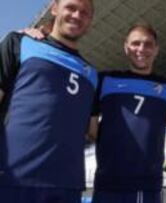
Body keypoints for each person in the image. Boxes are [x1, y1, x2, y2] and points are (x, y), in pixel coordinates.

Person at [0, 0, 97, 202]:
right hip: (15, 180)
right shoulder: (19, 43)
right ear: (54, 8)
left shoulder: (92, 74)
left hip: (67, 187)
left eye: (85, 12)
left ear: (90, 21)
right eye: (71, 7)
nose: (77, 15)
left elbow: (93, 129)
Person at [89, 23, 166, 203]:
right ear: (126, 47)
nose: (141, 49)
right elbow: (91, 129)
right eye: (135, 43)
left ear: (156, 50)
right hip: (106, 184)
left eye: (148, 44)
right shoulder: (105, 80)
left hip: (146, 187)